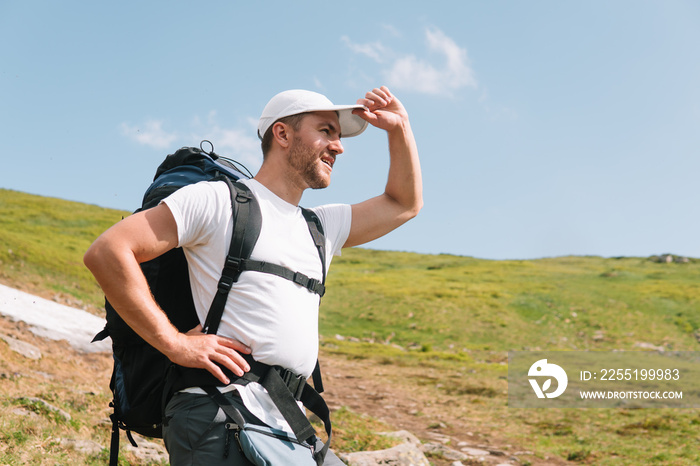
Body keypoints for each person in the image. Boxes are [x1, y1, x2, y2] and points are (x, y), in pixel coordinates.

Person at [83, 86, 422, 465]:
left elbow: (403, 203)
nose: (338, 147)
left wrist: (400, 128)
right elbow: (108, 251)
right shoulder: (217, 200)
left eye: (339, 137)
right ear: (282, 133)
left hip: (286, 424)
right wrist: (174, 343)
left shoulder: (321, 227)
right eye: (326, 131)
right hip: (218, 414)